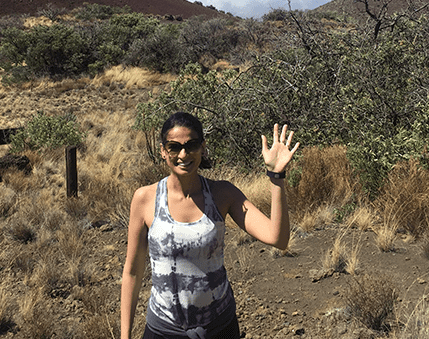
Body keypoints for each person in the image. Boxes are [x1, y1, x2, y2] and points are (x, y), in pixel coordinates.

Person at [120, 112, 300, 339]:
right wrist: (125, 336)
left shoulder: (222, 194)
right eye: (174, 147)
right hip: (163, 329)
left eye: (191, 145)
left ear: (203, 147)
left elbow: (278, 238)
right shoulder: (145, 199)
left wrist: (276, 176)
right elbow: (133, 272)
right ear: (163, 151)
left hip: (218, 327)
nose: (183, 154)